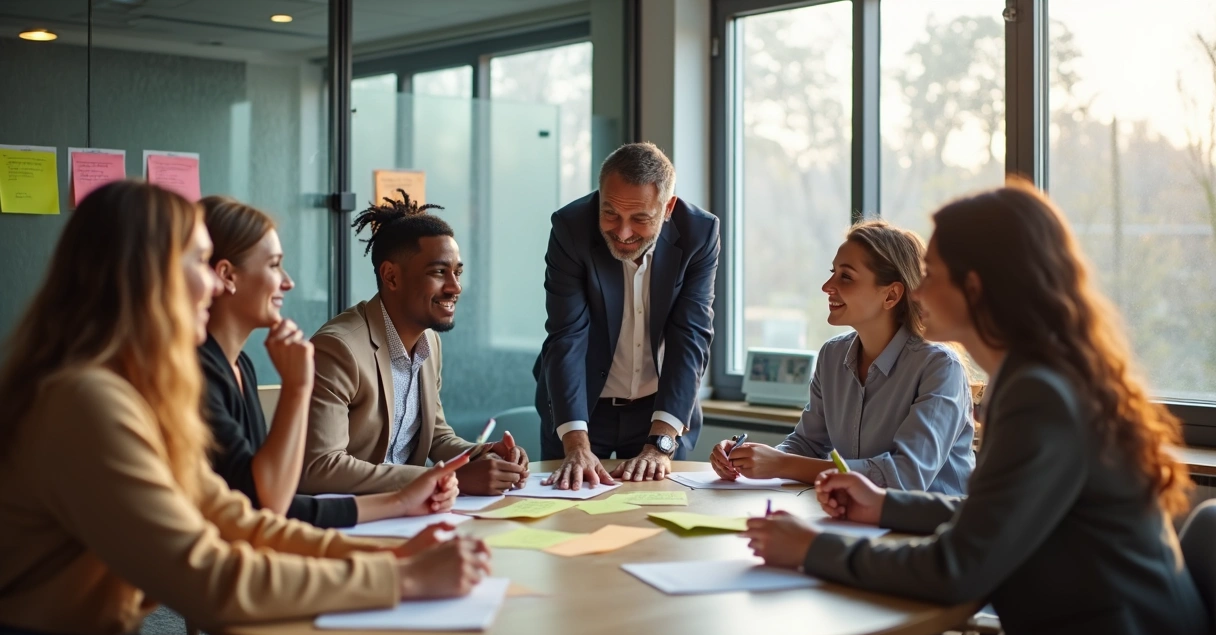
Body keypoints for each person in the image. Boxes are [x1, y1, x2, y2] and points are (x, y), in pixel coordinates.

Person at [0, 181, 491, 635]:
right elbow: (210, 579)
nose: (216, 286)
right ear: (146, 276)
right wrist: (398, 576)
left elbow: (239, 519)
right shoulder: (86, 402)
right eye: (200, 262)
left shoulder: (129, 392)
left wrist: (394, 555)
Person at [743, 180, 1208, 635]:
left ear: (975, 287)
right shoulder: (1028, 378)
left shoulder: (1039, 395)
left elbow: (956, 567)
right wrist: (883, 504)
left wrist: (813, 548)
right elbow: (988, 514)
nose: (918, 292)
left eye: (932, 276)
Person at [200, 196, 462, 528]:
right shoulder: (201, 373)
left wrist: (475, 460)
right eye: (274, 264)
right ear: (226, 275)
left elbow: (266, 507)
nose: (288, 282)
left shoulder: (241, 366)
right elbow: (268, 501)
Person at [710, 220, 974, 494]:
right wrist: (748, 458)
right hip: (862, 521)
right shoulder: (832, 355)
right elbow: (807, 446)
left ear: (891, 295)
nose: (827, 286)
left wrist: (780, 464)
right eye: (832, 272)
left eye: (845, 277)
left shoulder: (940, 367)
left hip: (934, 529)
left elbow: (904, 477)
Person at [301, 191, 528, 497]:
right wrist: (446, 478)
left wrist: (484, 455)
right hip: (352, 518)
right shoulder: (338, 349)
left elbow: (434, 435)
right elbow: (320, 468)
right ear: (391, 277)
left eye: (457, 272)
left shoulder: (429, 341)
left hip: (409, 510)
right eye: (438, 272)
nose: (455, 287)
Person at [535, 142, 720, 490]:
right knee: (569, 517)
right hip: (582, 406)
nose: (622, 232)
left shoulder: (700, 233)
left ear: (668, 208)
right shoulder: (570, 228)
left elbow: (690, 336)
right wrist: (576, 444)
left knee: (661, 524)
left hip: (660, 407)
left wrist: (661, 443)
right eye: (610, 214)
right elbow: (566, 337)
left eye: (640, 219)